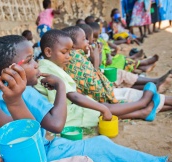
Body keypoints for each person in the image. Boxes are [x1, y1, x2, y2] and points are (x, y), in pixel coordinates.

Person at [0, 34, 172, 162]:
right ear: (11, 70)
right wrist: (60, 86)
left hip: (47, 150)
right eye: (29, 61)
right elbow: (56, 124)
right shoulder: (19, 93)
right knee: (102, 149)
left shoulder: (2, 96)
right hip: (45, 155)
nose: (36, 65)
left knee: (102, 155)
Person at [35, 29, 169, 127]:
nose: (69, 56)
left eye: (70, 52)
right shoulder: (49, 68)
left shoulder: (52, 65)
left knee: (103, 106)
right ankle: (142, 104)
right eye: (65, 52)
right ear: (48, 52)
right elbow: (75, 95)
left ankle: (143, 110)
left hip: (70, 108)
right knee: (103, 108)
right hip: (68, 113)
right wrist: (102, 108)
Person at [86, 23, 172, 93]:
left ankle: (155, 82)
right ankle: (150, 74)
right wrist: (98, 54)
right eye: (92, 38)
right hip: (103, 74)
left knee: (121, 67)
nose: (95, 40)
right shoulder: (86, 52)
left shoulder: (97, 43)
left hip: (105, 70)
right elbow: (97, 68)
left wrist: (108, 54)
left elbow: (106, 48)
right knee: (121, 74)